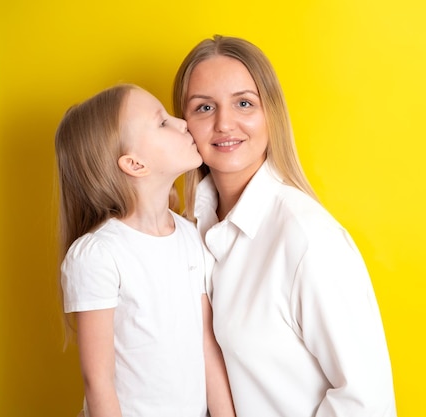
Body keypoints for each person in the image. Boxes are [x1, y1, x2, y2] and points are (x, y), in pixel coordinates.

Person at [173, 35, 397, 417]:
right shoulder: (186, 232)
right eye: (204, 107)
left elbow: (367, 403)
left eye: (244, 103)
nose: (224, 123)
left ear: (270, 114)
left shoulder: (305, 238)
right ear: (183, 124)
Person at [55, 83, 236, 417]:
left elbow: (207, 346)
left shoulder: (189, 235)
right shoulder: (98, 255)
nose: (182, 123)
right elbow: (99, 383)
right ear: (135, 164)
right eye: (162, 122)